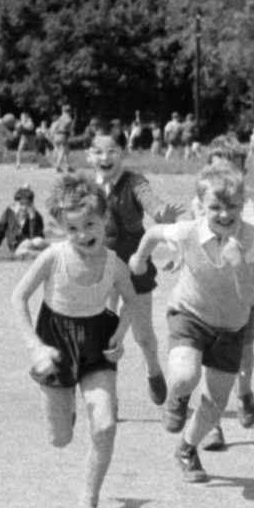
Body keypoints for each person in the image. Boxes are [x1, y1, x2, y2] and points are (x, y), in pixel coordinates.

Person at [10, 174, 137, 508]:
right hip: (55, 345)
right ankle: (64, 403)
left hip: (98, 346)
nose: (84, 234)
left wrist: (121, 333)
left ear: (105, 219)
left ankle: (89, 505)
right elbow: (17, 298)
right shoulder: (53, 257)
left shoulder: (113, 263)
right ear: (62, 228)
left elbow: (132, 300)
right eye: (73, 228)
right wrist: (35, 347)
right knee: (59, 439)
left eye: (90, 224)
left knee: (106, 424)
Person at [130, 164, 254, 484]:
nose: (223, 214)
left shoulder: (252, 239)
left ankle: (187, 448)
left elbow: (251, 296)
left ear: (242, 204)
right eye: (215, 207)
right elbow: (153, 233)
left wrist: (239, 265)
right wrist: (139, 258)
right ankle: (177, 398)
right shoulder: (187, 231)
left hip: (231, 327)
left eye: (232, 206)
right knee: (185, 375)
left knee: (216, 402)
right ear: (201, 206)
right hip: (189, 315)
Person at [89, 131, 180, 407]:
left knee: (143, 335)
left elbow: (149, 200)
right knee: (105, 335)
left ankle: (153, 370)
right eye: (99, 151)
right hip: (101, 264)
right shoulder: (86, 187)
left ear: (123, 152)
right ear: (89, 155)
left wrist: (161, 213)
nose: (106, 157)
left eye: (113, 150)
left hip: (134, 262)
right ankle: (108, 397)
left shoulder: (135, 182)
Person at [199, 137, 254, 444]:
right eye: (216, 165)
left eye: (231, 167)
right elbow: (191, 238)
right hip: (210, 286)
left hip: (244, 285)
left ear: (242, 172)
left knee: (244, 353)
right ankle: (212, 423)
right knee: (208, 352)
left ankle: (244, 392)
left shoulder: (248, 208)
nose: (223, 174)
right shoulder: (201, 204)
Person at [0, 185, 49, 258]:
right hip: (17, 245)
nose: (24, 208)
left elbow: (34, 237)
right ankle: (41, 254)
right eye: (21, 204)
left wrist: (32, 219)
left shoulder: (37, 216)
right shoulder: (9, 212)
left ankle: (39, 253)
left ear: (32, 204)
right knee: (26, 245)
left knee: (38, 241)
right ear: (15, 203)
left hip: (33, 244)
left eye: (27, 204)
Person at [48, 105, 75, 172]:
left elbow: (54, 127)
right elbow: (71, 130)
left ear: (63, 111)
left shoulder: (59, 118)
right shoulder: (70, 119)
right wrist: (71, 136)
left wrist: (51, 136)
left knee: (65, 150)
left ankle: (67, 165)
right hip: (63, 136)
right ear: (70, 112)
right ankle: (58, 165)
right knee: (63, 151)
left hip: (56, 135)